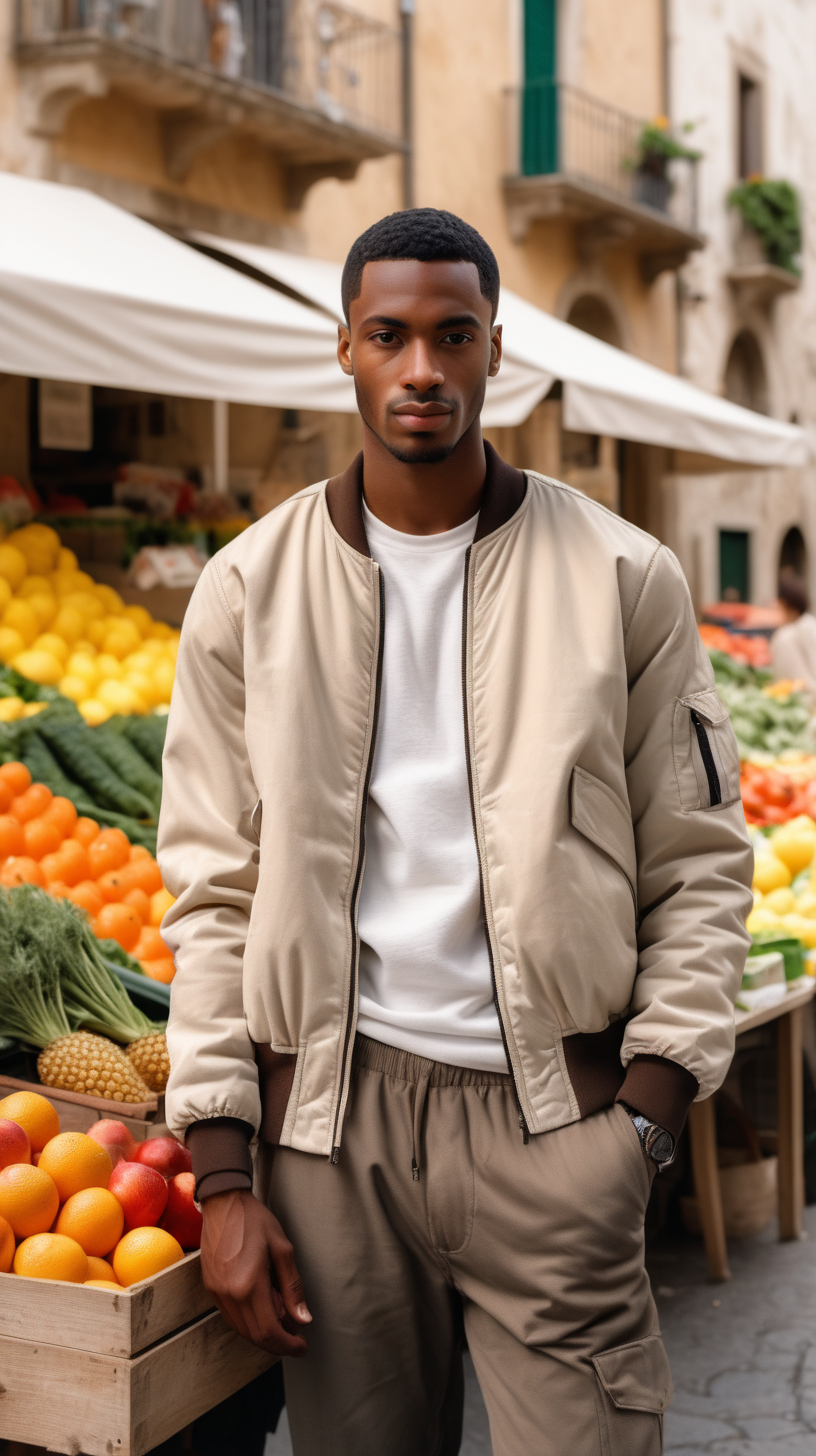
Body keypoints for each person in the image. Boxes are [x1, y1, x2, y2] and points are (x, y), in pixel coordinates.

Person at [159, 209, 753, 1456]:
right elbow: (212, 890)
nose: (420, 367)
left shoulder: (622, 576)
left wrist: (642, 1118)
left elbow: (701, 866)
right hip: (334, 1136)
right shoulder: (248, 591)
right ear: (347, 349)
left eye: (450, 334)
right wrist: (223, 1172)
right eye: (390, 335)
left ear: (496, 348)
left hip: (555, 1121)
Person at [771, 570, 816, 694]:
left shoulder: (784, 637)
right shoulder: (811, 623)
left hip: (802, 704)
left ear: (784, 604)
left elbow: (783, 682)